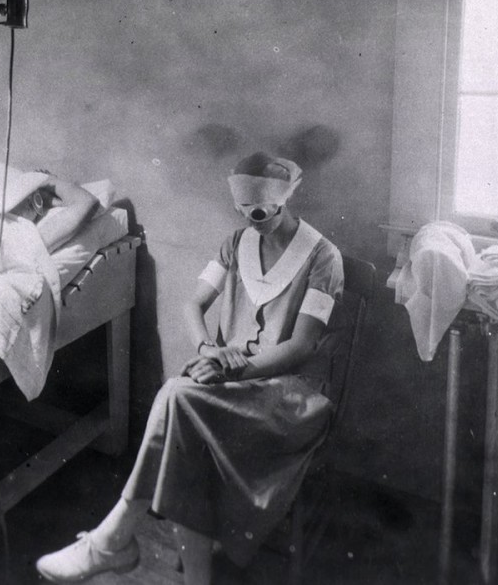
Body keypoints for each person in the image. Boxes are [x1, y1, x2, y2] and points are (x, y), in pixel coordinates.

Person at [35, 151, 344, 584]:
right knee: (182, 412)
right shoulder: (236, 244)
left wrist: (235, 369)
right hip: (233, 386)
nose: (252, 221)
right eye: (243, 211)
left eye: (260, 212)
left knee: (177, 396)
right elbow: (193, 303)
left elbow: (301, 345)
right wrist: (208, 349)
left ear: (284, 200)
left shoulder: (323, 257)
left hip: (291, 396)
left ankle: (113, 540)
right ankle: (157, 560)